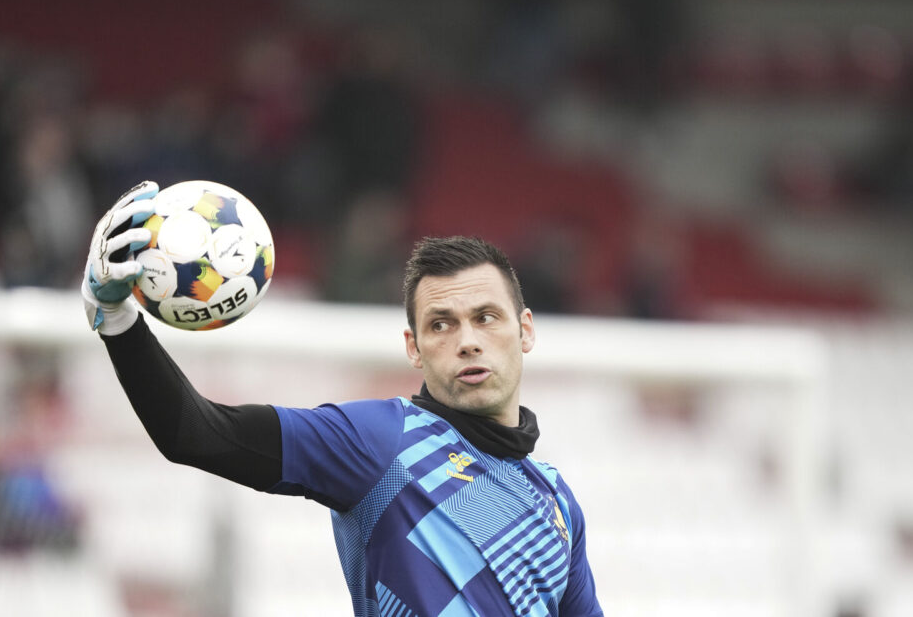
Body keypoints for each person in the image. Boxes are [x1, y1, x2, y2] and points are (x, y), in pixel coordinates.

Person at [80, 181, 603, 616]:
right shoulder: (379, 442)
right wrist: (119, 322)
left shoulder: (556, 500)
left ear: (525, 330)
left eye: (485, 317)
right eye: (440, 324)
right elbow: (196, 434)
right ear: (414, 349)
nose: (466, 339)